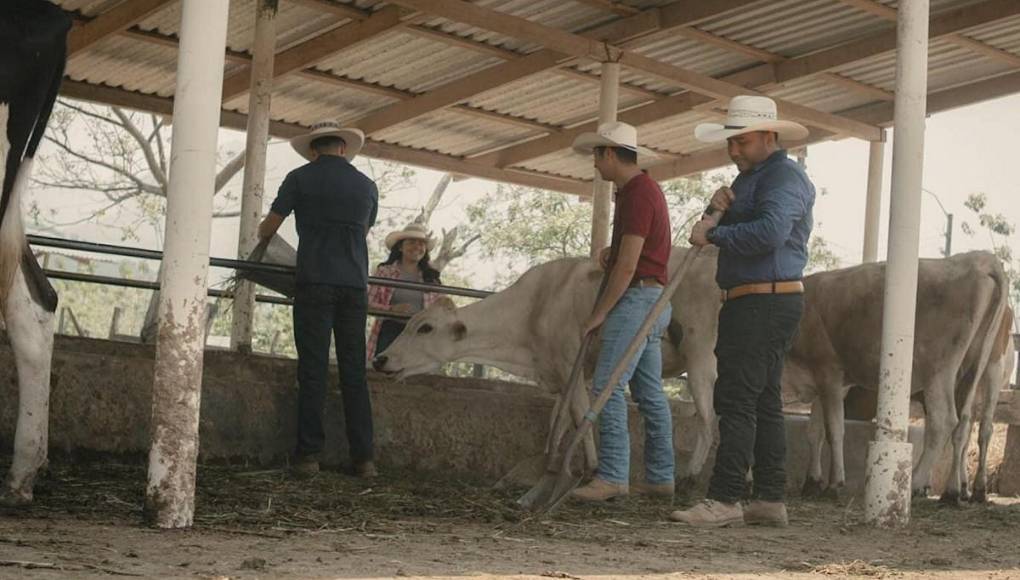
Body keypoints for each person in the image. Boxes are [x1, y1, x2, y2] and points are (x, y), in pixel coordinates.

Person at [670, 95, 815, 527]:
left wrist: (716, 234)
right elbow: (723, 230)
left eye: (744, 142)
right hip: (757, 297)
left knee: (734, 396)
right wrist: (716, 212)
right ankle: (769, 497)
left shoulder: (784, 177)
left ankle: (726, 497)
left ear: (769, 136)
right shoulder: (753, 180)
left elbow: (771, 233)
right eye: (730, 144)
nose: (734, 152)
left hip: (763, 298)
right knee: (764, 398)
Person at [257, 120, 380, 479]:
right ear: (343, 148)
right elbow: (365, 230)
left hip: (314, 281)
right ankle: (364, 458)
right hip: (354, 285)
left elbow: (269, 227)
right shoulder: (366, 185)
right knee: (354, 371)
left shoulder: (299, 178)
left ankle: (309, 455)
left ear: (313, 150)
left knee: (313, 370)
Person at [568, 121, 675, 502]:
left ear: (609, 154)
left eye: (597, 156)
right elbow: (635, 252)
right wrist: (612, 254)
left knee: (607, 387)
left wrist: (599, 312)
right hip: (655, 297)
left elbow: (629, 266)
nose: (595, 165)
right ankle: (662, 475)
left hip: (637, 298)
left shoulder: (635, 194)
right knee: (648, 392)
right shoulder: (644, 190)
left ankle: (613, 474)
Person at [367, 222, 443, 360]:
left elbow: (443, 308)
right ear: (400, 247)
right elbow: (367, 302)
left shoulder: (431, 277)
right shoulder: (385, 272)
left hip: (421, 334)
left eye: (421, 243)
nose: (417, 247)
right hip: (391, 331)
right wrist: (391, 309)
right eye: (411, 242)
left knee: (417, 376)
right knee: (384, 372)